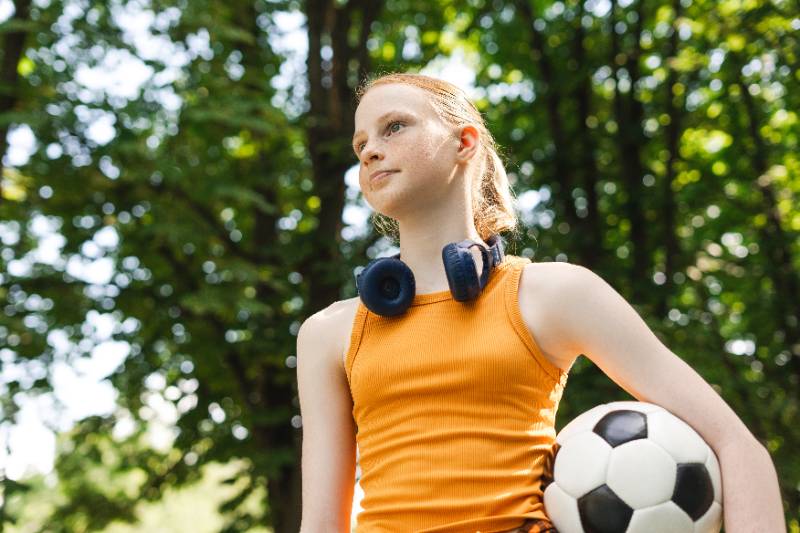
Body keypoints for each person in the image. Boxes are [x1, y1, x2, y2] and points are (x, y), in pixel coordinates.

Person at [296, 72, 785, 533]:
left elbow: (738, 447)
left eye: (394, 127)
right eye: (361, 144)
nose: (370, 152)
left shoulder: (554, 294)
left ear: (464, 142)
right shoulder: (329, 333)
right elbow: (319, 525)